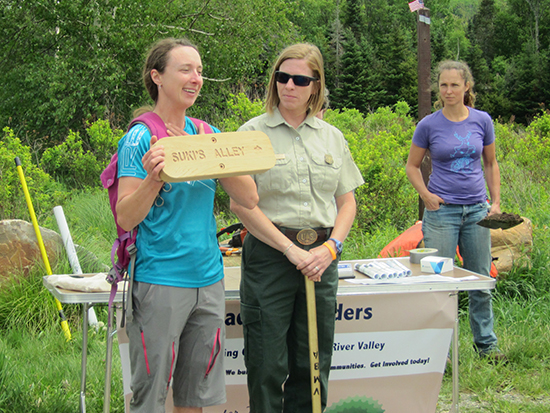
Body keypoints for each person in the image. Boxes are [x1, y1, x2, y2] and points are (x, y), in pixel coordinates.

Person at [116, 38, 258, 413]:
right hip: (160, 281)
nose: (196, 78)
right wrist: (157, 176)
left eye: (199, 70)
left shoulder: (205, 130)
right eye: (185, 70)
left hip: (209, 279)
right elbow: (126, 216)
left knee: (195, 396)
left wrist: (211, 153)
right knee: (150, 396)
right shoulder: (139, 139)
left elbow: (249, 197)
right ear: (157, 77)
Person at [230, 43, 364, 412]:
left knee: (313, 364)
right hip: (271, 256)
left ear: (315, 86)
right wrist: (290, 250)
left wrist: (331, 248)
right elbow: (241, 204)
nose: (288, 85)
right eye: (282, 77)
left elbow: (347, 201)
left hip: (322, 259)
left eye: (299, 79)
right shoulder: (251, 134)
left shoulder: (332, 137)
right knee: (267, 365)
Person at [406, 60, 505, 361]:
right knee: (439, 283)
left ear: (466, 87)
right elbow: (411, 166)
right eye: (443, 85)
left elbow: (490, 163)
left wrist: (495, 202)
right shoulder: (429, 124)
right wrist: (426, 196)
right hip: (442, 214)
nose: (448, 91)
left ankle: (486, 346)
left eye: (454, 85)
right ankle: (440, 352)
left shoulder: (482, 121)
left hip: (477, 210)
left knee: (480, 280)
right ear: (438, 88)